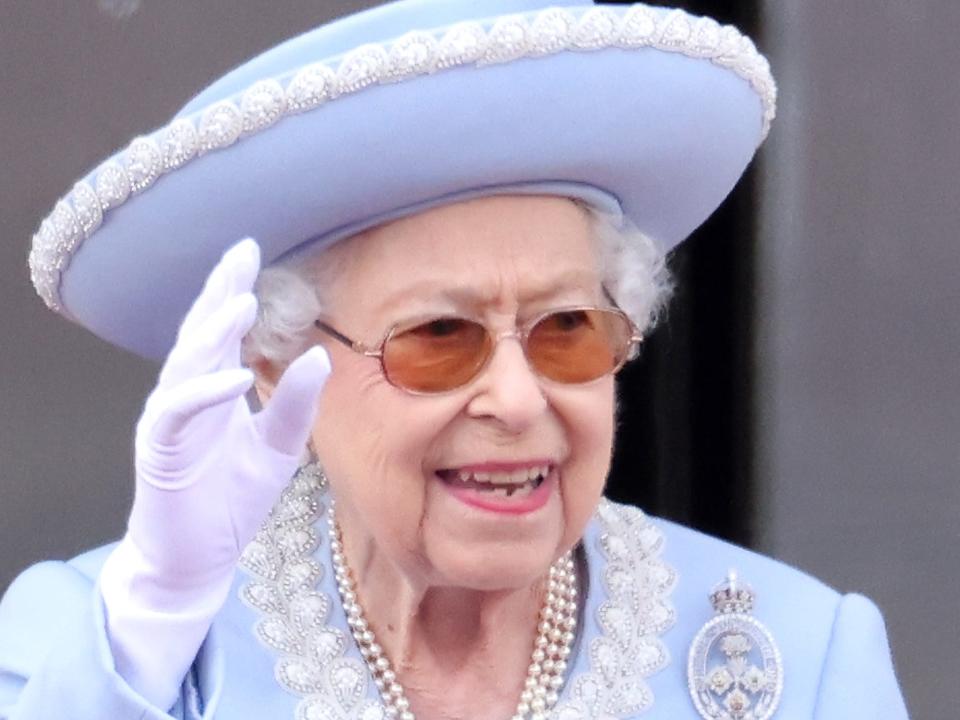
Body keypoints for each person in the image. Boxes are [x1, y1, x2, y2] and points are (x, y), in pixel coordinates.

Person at [0, 1, 908, 718]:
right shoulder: (100, 646)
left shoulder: (803, 663)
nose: (517, 400)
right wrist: (148, 627)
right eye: (439, 338)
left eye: (566, 331)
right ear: (275, 364)